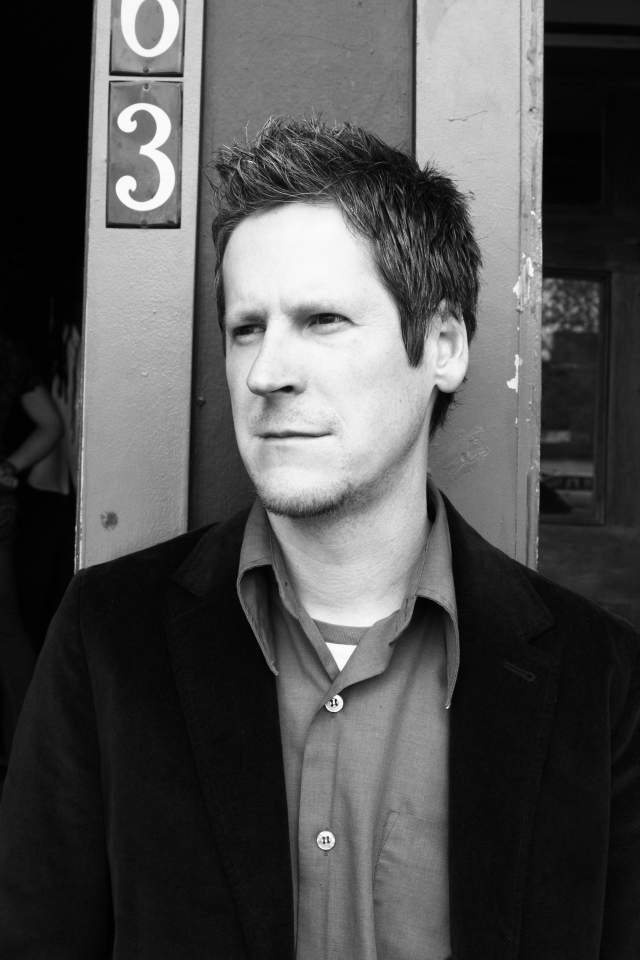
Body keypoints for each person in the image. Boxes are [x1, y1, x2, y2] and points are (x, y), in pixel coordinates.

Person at [0, 118, 638, 960]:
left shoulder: (600, 682)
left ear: (443, 345)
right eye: (246, 329)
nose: (267, 373)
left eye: (323, 319)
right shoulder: (108, 636)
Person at [0, 332, 62, 778]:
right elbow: (52, 424)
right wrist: (8, 467)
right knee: (7, 630)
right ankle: (27, 760)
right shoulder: (7, 349)